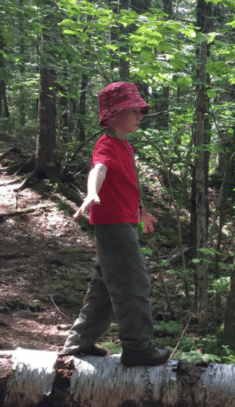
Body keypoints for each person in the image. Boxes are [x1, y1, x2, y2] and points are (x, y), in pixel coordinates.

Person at [60, 82, 170, 367]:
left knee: (106, 288)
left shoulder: (125, 146)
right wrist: (92, 192)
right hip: (114, 227)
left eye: (139, 111)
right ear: (111, 115)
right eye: (132, 111)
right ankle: (137, 348)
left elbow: (127, 186)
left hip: (123, 223)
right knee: (133, 283)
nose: (138, 116)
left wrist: (141, 211)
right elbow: (99, 169)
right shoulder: (106, 144)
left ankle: (77, 344)